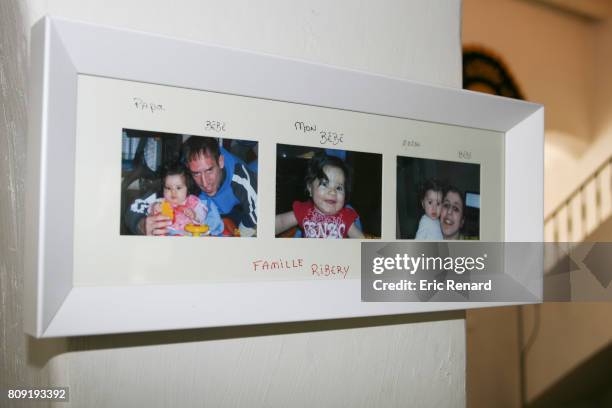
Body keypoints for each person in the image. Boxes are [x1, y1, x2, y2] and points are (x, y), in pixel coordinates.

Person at [125, 136, 257, 237]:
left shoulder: (242, 179)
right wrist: (141, 225)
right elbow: (134, 208)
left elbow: (254, 218)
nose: (205, 183)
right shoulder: (183, 177)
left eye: (209, 170)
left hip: (238, 207)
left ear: (221, 162)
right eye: (196, 174)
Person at [275, 154, 364, 239]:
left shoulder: (346, 216)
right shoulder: (304, 210)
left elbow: (361, 241)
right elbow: (281, 222)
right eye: (324, 184)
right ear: (310, 188)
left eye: (339, 188)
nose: (332, 192)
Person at [147, 163, 223, 236]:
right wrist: (154, 207)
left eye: (178, 188)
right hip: (168, 235)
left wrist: (195, 215)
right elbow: (149, 211)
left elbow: (203, 214)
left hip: (189, 236)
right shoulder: (162, 202)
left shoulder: (192, 202)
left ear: (187, 188)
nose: (173, 192)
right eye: (168, 188)